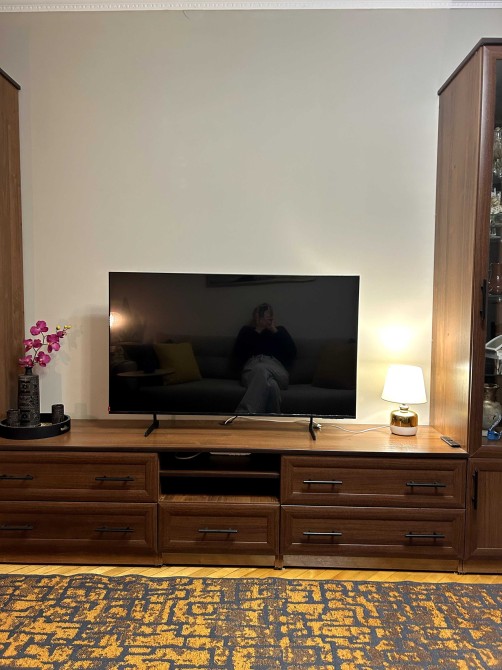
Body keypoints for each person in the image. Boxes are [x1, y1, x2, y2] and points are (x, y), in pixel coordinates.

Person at [233, 302, 296, 414]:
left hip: (277, 369)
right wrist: (258, 330)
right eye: (261, 314)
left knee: (262, 369)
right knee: (272, 386)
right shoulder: (246, 331)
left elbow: (292, 352)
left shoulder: (280, 331)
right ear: (255, 317)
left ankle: (244, 413)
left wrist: (274, 330)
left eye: (268, 314)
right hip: (252, 369)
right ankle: (273, 419)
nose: (265, 317)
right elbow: (237, 356)